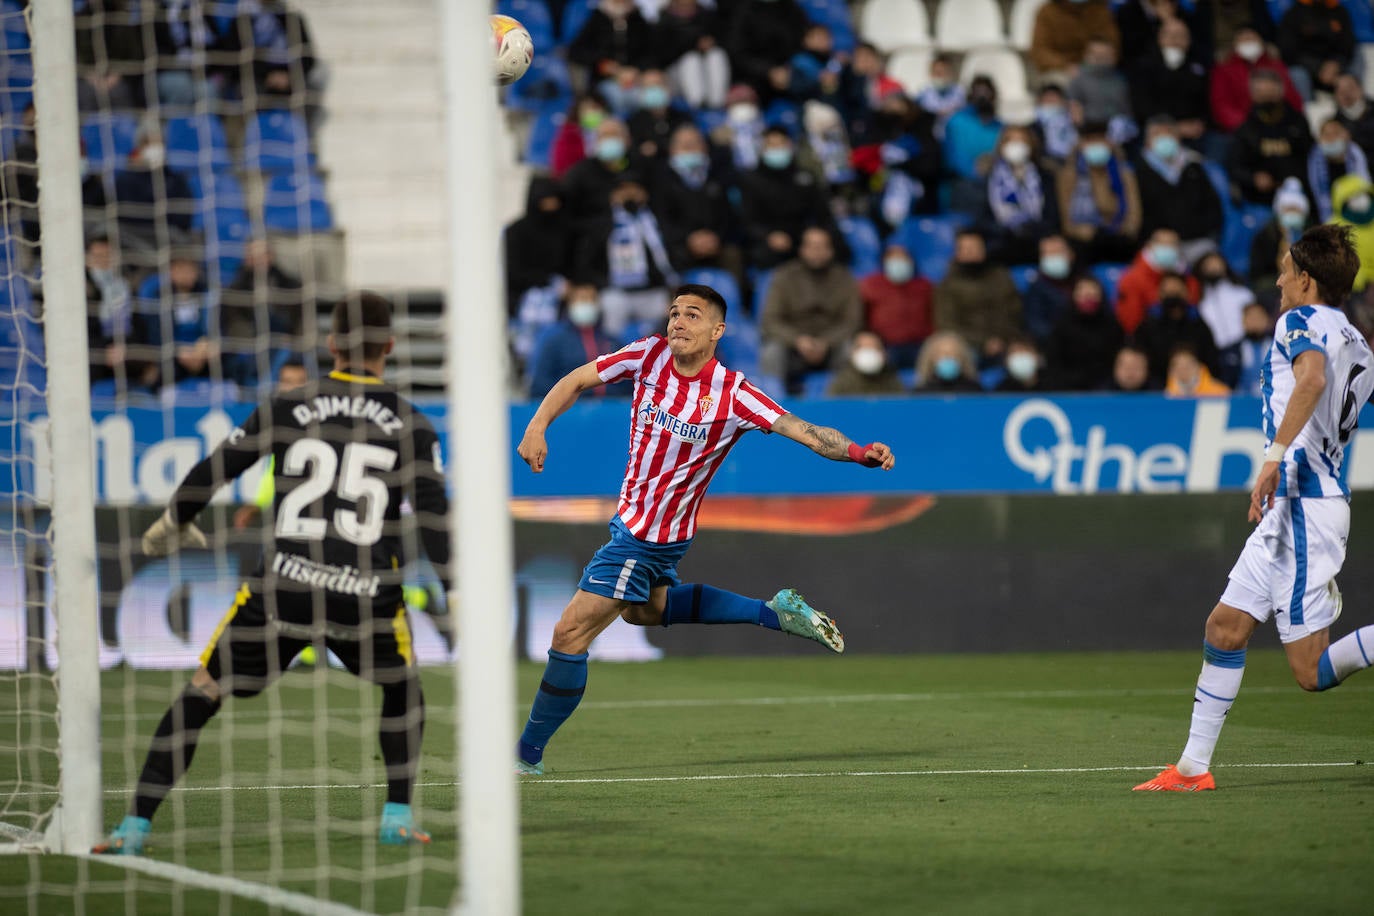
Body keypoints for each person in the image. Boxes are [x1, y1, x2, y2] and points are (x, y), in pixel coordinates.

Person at [94, 293, 450, 852]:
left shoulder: (290, 404)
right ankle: (396, 818)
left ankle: (133, 826)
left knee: (204, 690)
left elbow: (217, 467)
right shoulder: (414, 423)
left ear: (331, 346)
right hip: (366, 589)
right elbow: (433, 517)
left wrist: (176, 519)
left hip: (284, 585)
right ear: (391, 346)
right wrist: (455, 589)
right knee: (402, 690)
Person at [513, 284, 895, 774]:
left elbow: (805, 431)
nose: (678, 322)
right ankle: (773, 613)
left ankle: (525, 758)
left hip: (645, 538)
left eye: (692, 315)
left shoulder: (733, 393)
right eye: (674, 313)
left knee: (569, 632)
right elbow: (576, 379)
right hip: (643, 528)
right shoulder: (647, 356)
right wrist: (536, 425)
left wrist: (859, 452)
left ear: (717, 331)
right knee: (643, 613)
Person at [1134, 224, 1374, 792]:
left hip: (1302, 506)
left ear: (1307, 280)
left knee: (1311, 672)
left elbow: (1311, 380)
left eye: (1287, 270)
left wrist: (1272, 458)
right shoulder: (1359, 342)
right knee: (1224, 628)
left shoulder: (1299, 322)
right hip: (1303, 504)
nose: (1279, 279)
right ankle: (1192, 769)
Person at [573, 173, 678, 339]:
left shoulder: (655, 223)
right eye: (623, 190)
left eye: (634, 189)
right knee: (612, 312)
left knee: (673, 321)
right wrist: (602, 283)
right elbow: (586, 263)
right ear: (613, 196)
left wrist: (671, 290)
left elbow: (671, 258)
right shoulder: (602, 225)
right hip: (616, 293)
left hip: (652, 292)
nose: (629, 194)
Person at [759, 227, 862, 395]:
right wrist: (798, 340)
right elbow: (770, 320)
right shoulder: (784, 276)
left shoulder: (844, 278)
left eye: (822, 246)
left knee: (850, 350)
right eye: (812, 246)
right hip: (792, 345)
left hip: (832, 345)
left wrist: (826, 342)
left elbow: (852, 321)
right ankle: (772, 408)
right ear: (802, 249)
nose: (817, 252)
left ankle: (843, 403)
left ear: (830, 251)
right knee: (771, 352)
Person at [736, 126, 840, 270]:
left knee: (837, 247)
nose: (777, 149)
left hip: (805, 235)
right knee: (762, 255)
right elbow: (749, 221)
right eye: (772, 145)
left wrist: (817, 234)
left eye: (781, 144)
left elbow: (823, 213)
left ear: (790, 145)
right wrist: (769, 236)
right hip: (771, 238)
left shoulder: (806, 176)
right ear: (762, 148)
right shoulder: (751, 180)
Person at [220, 239, 307, 389]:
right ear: (247, 259)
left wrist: (292, 340)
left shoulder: (291, 285)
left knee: (297, 355)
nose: (259, 260)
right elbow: (234, 326)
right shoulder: (233, 290)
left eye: (263, 254)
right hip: (250, 346)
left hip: (284, 344)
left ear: (271, 256)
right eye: (254, 255)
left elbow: (300, 322)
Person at [1136, 116, 1224, 263]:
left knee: (1212, 266)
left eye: (1169, 132)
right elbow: (1137, 215)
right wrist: (1157, 236)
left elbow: (1213, 209)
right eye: (1157, 134)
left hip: (1197, 241)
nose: (1164, 138)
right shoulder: (1138, 172)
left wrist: (1196, 231)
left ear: (1178, 137)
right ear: (1147, 141)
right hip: (1158, 243)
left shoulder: (1194, 167)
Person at [933, 229, 1023, 366]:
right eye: (966, 248)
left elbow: (1014, 311)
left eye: (974, 248)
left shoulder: (1001, 276)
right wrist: (983, 343)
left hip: (1005, 341)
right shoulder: (947, 284)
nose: (970, 252)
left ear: (984, 250)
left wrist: (1001, 339)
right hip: (969, 346)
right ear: (957, 252)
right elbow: (947, 324)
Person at [1056, 123, 1142, 266]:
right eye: (1090, 141)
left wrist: (1125, 230)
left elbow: (1134, 209)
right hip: (1083, 240)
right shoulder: (1069, 174)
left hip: (1118, 237)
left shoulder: (1123, 172)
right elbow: (1065, 212)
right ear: (1081, 144)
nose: (1096, 145)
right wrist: (1080, 232)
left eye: (1100, 140)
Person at [1228, 68, 1314, 207]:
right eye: (1261, 93)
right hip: (1259, 201)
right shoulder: (1246, 128)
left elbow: (1310, 157)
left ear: (1280, 92)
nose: (1266, 97)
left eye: (1270, 92)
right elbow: (1235, 167)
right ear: (1253, 95)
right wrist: (1254, 178)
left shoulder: (1297, 122)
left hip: (1297, 197)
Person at [979, 126, 1060, 266]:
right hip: (1001, 241)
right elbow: (983, 217)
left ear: (1031, 145)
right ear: (1001, 146)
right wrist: (1009, 229)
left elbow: (1052, 216)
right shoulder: (989, 177)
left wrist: (1031, 229)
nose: (1016, 145)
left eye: (1021, 140)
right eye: (1010, 140)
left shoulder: (1045, 176)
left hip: (1037, 240)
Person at [527, 283, 624, 399]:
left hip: (610, 409)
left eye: (591, 300)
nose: (587, 304)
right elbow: (540, 383)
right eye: (582, 299)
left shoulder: (612, 342)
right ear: (571, 305)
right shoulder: (554, 341)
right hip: (568, 409)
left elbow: (627, 382)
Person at [1129, 18, 1210, 147]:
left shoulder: (1197, 67)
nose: (1176, 41)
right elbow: (1142, 106)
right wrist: (1174, 127)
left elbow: (1206, 102)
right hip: (1157, 130)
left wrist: (1200, 123)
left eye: (1181, 36)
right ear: (1160, 37)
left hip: (1194, 132)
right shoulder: (1144, 66)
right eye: (1171, 36)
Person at [1209, 25, 1304, 134]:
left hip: (1279, 126)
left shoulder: (1276, 65)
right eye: (1244, 40)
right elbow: (1221, 105)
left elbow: (1291, 97)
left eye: (1252, 39)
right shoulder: (1223, 69)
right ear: (1234, 45)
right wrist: (1245, 126)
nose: (1249, 43)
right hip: (1241, 129)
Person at [1134, 270, 1221, 383]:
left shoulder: (1199, 325)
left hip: (1195, 387)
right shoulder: (1147, 326)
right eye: (1168, 292)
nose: (1172, 295)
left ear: (1186, 293)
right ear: (1160, 294)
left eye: (1176, 291)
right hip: (1157, 389)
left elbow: (1211, 361)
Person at [857, 244, 934, 369]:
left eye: (902, 258)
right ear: (884, 262)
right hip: (883, 345)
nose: (898, 262)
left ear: (911, 261)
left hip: (920, 345)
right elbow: (860, 318)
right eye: (892, 258)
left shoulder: (924, 287)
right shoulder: (870, 285)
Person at [1044, 275, 1124, 391]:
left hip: (1106, 389)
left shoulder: (1112, 325)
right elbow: (1054, 363)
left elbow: (1117, 360)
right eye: (1083, 294)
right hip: (1068, 389)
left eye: (1091, 294)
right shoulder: (1062, 326)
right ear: (1074, 296)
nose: (1087, 298)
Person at [1115, 228, 1200, 335]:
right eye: (1162, 244)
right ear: (1150, 246)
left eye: (1172, 244)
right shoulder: (1132, 279)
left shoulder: (1189, 279)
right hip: (1148, 340)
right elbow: (1131, 320)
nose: (1168, 249)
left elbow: (1193, 314)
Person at [942, 75, 1003, 217]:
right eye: (978, 91)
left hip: (992, 186)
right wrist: (974, 170)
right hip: (962, 185)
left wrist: (991, 164)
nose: (982, 96)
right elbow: (951, 155)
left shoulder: (1000, 127)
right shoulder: (957, 121)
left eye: (986, 92)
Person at [1195, 251, 1258, 387]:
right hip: (1216, 353)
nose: (1213, 269)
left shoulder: (1242, 294)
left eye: (1216, 264)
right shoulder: (1200, 301)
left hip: (1242, 347)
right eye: (1208, 265)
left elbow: (1253, 318)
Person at [654, 0, 730, 110]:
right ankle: (697, 106)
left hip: (706, 65)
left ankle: (717, 105)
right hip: (676, 72)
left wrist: (711, 43)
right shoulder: (664, 19)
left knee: (717, 55)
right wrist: (694, 45)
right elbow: (663, 55)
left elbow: (728, 42)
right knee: (691, 60)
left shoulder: (707, 15)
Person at [1249, 177, 1312, 305]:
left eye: (1296, 209)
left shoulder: (1313, 236)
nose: (1292, 213)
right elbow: (1258, 275)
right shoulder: (1266, 236)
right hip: (1274, 291)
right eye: (1288, 209)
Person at [1029, 0, 1121, 86]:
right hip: (1059, 71)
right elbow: (1040, 52)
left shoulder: (1100, 11)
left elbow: (1113, 45)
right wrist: (1065, 66)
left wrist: (1098, 58)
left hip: (1097, 68)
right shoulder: (1048, 12)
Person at [1276, 0, 1356, 100]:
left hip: (1334, 68)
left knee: (1358, 59)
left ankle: (1357, 108)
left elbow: (1347, 44)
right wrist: (1318, 68)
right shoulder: (1294, 13)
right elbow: (1288, 50)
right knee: (1296, 74)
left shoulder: (1340, 11)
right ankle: (1307, 111)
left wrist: (1336, 63)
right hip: (1307, 68)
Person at [1308, 118, 1370, 222]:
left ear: (1346, 135)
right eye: (1327, 135)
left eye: (1336, 133)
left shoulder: (1357, 157)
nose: (1331, 138)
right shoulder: (1314, 162)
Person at [1023, 235, 1080, 346]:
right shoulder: (1035, 289)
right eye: (1048, 254)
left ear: (1071, 255)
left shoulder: (1085, 280)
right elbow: (1036, 324)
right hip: (1054, 345)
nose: (1053, 257)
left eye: (1057, 252)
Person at [1067, 38, 1134, 132]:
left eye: (1105, 55)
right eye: (1097, 55)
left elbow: (1126, 112)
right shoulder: (1078, 79)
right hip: (1088, 128)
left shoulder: (1120, 81)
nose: (1101, 59)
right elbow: (1074, 110)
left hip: (1114, 129)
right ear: (1087, 55)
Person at [627, 69, 689, 162]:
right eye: (648, 86)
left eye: (658, 84)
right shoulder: (633, 122)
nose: (654, 89)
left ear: (668, 88)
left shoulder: (683, 118)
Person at [826, 330, 906, 397]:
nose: (868, 352)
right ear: (852, 353)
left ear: (884, 353)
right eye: (863, 347)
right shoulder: (841, 382)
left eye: (874, 347)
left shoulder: (892, 382)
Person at [913, 330, 982, 394]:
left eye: (953, 353)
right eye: (942, 353)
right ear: (930, 359)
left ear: (962, 358)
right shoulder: (921, 393)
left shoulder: (974, 390)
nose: (947, 358)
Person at [1234, 300, 1273, 397]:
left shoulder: (1280, 348)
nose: (1255, 322)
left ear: (1267, 320)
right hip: (1241, 403)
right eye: (1251, 318)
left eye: (1258, 318)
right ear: (1243, 321)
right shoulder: (1231, 352)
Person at [1164, 343, 1231, 396]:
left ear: (1198, 366)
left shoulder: (1220, 393)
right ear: (1171, 370)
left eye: (1188, 366)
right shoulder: (1166, 396)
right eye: (1177, 366)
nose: (1183, 370)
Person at [1334, 73, 1374, 160]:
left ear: (1361, 89)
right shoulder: (1335, 124)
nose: (1346, 94)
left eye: (1350, 88)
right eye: (1341, 91)